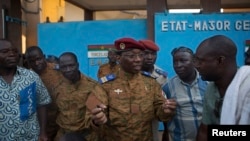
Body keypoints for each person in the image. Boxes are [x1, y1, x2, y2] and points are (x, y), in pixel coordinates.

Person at [85, 37, 177, 141]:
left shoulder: (151, 83)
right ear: (118, 58)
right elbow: (89, 118)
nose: (138, 59)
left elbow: (160, 113)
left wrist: (166, 110)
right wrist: (96, 120)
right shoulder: (104, 85)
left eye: (140, 55)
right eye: (131, 56)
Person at [193, 35, 246, 141]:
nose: (196, 66)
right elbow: (205, 131)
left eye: (200, 61)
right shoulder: (211, 89)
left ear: (220, 60)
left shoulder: (246, 87)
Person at [0, 39, 51, 140]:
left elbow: (42, 103)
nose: (12, 54)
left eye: (14, 51)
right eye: (5, 52)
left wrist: (43, 132)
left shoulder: (31, 76)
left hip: (30, 137)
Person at [161, 46, 208, 141]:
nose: (178, 65)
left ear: (194, 62)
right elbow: (165, 116)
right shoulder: (167, 88)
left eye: (183, 61)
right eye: (175, 62)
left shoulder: (208, 82)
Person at [53, 52, 99, 141]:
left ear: (77, 65)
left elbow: (95, 117)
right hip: (63, 136)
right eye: (64, 67)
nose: (68, 69)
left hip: (86, 137)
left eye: (71, 65)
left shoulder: (92, 86)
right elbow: (53, 114)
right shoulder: (56, 87)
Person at [25, 46, 62, 141]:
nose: (36, 63)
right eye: (32, 61)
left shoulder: (58, 70)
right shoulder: (26, 78)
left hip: (60, 122)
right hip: (41, 125)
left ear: (44, 56)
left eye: (39, 59)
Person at [139, 39, 168, 141]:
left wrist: (166, 130)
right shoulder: (131, 72)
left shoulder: (161, 75)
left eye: (153, 54)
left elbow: (164, 101)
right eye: (146, 53)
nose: (150, 57)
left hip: (152, 121)